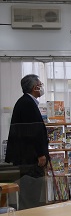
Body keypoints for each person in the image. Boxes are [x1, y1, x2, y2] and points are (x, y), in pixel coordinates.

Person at [5, 74, 49, 209]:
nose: (42, 88)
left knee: (29, 193)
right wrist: (41, 154)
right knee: (31, 194)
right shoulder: (28, 104)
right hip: (31, 159)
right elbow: (34, 133)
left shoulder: (24, 102)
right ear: (35, 87)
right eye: (40, 85)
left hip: (26, 157)